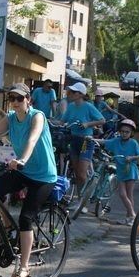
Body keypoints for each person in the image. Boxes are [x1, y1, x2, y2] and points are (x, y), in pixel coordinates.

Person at [0, 83, 57, 277]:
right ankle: (7, 227)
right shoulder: (9, 119)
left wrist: (22, 160)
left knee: (26, 218)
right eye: (12, 98)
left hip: (43, 176)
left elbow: (32, 139)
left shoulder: (37, 116)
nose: (15, 102)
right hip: (23, 171)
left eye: (20, 98)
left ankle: (25, 266)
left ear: (29, 99)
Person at [56, 81, 104, 211]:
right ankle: (80, 200)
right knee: (77, 173)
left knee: (82, 174)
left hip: (86, 141)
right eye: (70, 91)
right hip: (74, 140)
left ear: (81, 94)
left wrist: (87, 124)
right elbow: (62, 121)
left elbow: (102, 120)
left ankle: (85, 201)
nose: (70, 94)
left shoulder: (88, 106)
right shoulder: (70, 106)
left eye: (73, 92)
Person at [103, 118, 139, 224]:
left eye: (127, 132)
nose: (124, 134)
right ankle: (131, 215)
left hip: (130, 170)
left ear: (131, 133)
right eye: (122, 131)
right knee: (122, 194)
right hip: (120, 171)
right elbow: (105, 142)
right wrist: (92, 139)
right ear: (119, 132)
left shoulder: (133, 143)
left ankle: (130, 216)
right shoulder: (116, 141)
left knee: (128, 195)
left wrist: (131, 158)